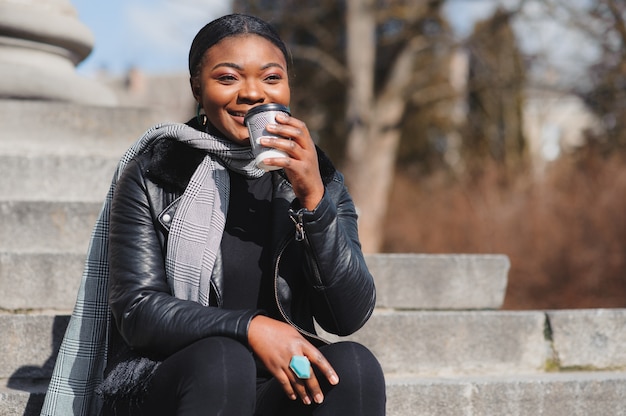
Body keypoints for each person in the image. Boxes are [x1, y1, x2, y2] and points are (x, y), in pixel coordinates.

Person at [40, 13, 385, 416]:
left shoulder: (319, 181)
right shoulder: (157, 172)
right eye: (228, 78)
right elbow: (138, 310)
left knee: (356, 367)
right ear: (197, 89)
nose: (253, 93)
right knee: (223, 361)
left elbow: (348, 314)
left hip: (278, 384)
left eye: (271, 78)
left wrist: (313, 200)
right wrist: (250, 327)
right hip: (180, 377)